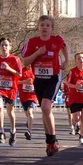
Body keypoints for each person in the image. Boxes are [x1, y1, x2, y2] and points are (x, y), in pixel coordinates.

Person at [22, 15, 69, 157]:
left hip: (53, 78)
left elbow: (64, 46)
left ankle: (53, 140)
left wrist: (66, 60)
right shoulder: (31, 42)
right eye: (42, 25)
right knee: (44, 111)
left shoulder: (57, 40)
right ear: (38, 27)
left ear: (52, 28)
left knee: (45, 107)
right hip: (39, 79)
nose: (45, 28)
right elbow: (25, 62)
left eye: (48, 25)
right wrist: (37, 53)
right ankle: (50, 142)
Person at [0, 37, 22, 146]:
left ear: (10, 47)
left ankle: (13, 131)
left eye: (6, 45)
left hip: (10, 88)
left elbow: (19, 74)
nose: (4, 47)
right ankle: (1, 132)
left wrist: (9, 68)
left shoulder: (15, 59)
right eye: (2, 45)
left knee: (10, 112)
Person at [65, 52, 83, 146]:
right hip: (74, 98)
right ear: (75, 61)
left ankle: (82, 137)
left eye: (82, 58)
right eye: (78, 58)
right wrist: (75, 86)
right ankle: (74, 124)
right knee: (77, 118)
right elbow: (67, 83)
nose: (80, 60)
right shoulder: (72, 71)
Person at [17, 64, 38, 141]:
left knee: (30, 112)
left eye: (31, 64)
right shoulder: (21, 71)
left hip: (33, 96)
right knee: (27, 113)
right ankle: (29, 121)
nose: (29, 66)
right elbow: (15, 82)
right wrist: (24, 81)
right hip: (23, 96)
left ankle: (29, 131)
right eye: (28, 64)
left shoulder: (36, 71)